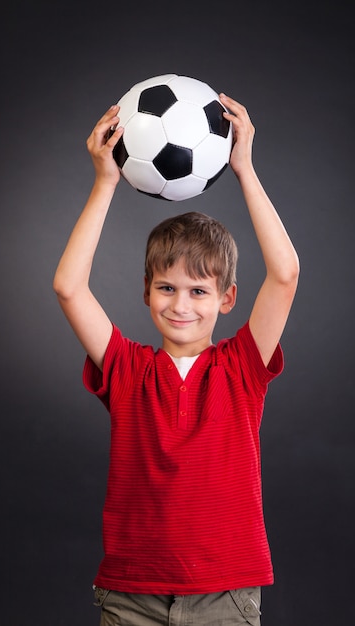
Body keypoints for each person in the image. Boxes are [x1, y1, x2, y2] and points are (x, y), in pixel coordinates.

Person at [53, 93, 299, 626]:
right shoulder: (127, 368)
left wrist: (245, 169)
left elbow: (285, 274)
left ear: (227, 299)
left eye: (198, 291)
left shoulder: (241, 367)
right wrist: (104, 182)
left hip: (225, 593)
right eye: (166, 288)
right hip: (131, 592)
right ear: (145, 291)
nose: (180, 305)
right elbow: (69, 287)